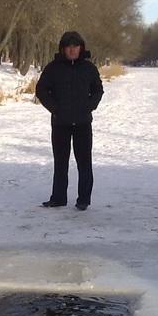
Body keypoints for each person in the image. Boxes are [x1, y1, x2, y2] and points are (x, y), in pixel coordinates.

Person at [35, 30, 104, 211]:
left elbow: (98, 90)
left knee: (84, 162)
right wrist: (55, 108)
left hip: (83, 123)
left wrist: (89, 106)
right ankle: (58, 198)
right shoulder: (53, 68)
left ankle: (83, 199)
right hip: (60, 123)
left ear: (81, 48)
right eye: (68, 46)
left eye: (75, 46)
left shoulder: (88, 68)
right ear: (63, 49)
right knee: (60, 162)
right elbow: (41, 90)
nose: (72, 50)